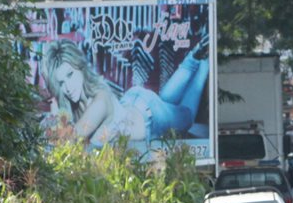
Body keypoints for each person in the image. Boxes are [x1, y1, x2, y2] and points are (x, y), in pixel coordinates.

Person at [41, 29, 209, 146]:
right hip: (133, 102)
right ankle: (194, 57)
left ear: (81, 68)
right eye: (61, 83)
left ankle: (203, 63)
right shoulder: (75, 105)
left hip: (149, 115)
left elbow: (69, 140)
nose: (67, 87)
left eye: (70, 75)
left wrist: (54, 109)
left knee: (187, 117)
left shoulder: (100, 101)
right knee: (165, 101)